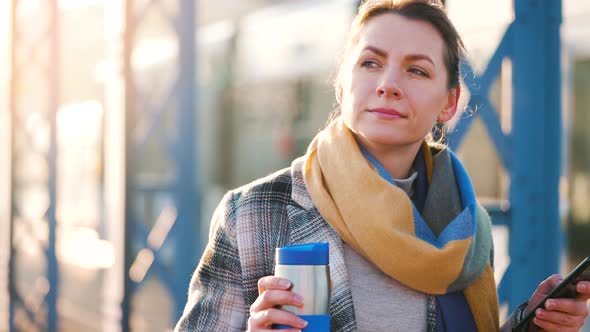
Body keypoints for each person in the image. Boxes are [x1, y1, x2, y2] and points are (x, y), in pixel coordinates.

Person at [175, 0, 590, 331]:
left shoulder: (466, 228)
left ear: (448, 103)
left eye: (416, 70)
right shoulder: (252, 213)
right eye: (370, 63)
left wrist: (535, 326)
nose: (388, 84)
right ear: (342, 82)